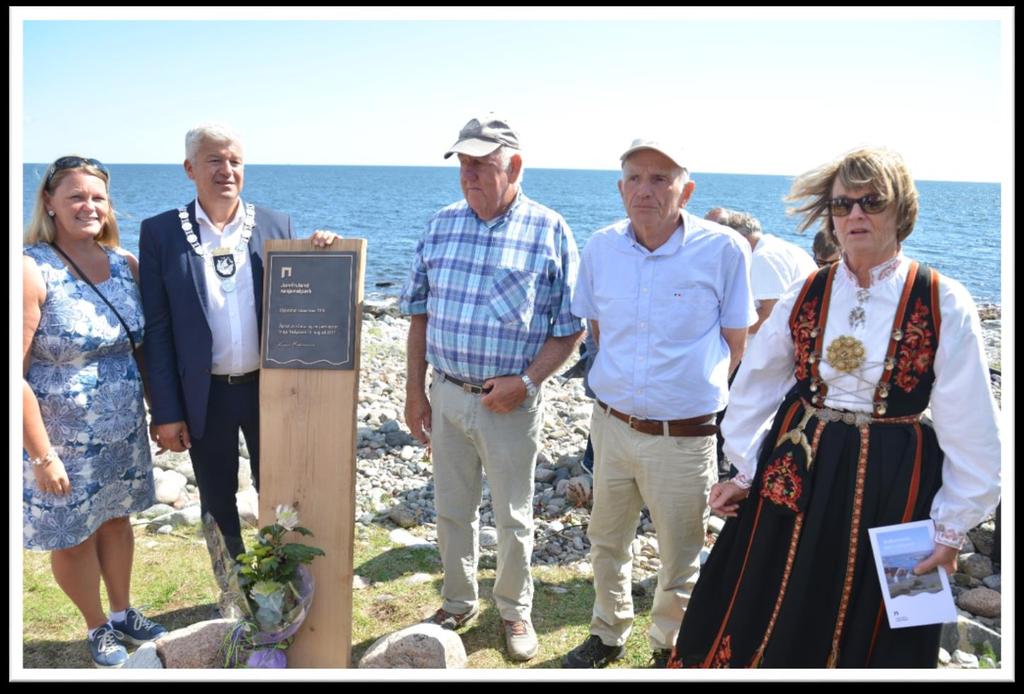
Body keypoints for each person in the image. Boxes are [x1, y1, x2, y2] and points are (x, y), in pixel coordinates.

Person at [670, 146, 1001, 668]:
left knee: (900, 609)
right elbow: (756, 382)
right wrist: (746, 468)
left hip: (900, 474)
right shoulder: (808, 288)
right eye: (843, 204)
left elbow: (972, 422)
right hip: (800, 462)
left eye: (871, 202)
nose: (855, 215)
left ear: (901, 211)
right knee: (776, 592)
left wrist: (952, 526)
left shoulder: (943, 298)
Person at [563, 139, 755, 669]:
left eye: (660, 179)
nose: (645, 190)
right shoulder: (601, 246)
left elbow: (737, 343)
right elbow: (597, 330)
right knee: (606, 539)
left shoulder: (723, 250)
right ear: (620, 187)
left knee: (680, 554)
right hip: (611, 426)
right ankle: (607, 631)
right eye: (635, 178)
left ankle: (668, 647)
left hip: (684, 435)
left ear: (685, 190)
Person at [400, 114, 584, 662]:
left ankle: (514, 609)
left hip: (510, 403)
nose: (470, 175)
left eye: (483, 164)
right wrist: (416, 392)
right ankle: (457, 601)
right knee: (452, 507)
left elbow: (569, 325)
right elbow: (417, 313)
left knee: (513, 513)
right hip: (448, 393)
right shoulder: (441, 224)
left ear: (515, 167)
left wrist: (527, 381)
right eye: (464, 164)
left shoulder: (550, 229)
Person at [139, 123, 336, 610]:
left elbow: (302, 302)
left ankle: (282, 587)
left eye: (234, 161)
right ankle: (233, 592)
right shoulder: (161, 232)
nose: (226, 170)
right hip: (204, 395)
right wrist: (165, 411)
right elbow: (157, 332)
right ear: (190, 169)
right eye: (213, 160)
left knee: (281, 490)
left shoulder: (276, 224)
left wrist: (323, 253)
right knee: (217, 498)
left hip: (269, 391)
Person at [23, 155, 167, 668]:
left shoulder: (125, 264)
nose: (89, 206)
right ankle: (95, 623)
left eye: (97, 197)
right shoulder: (30, 268)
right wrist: (42, 457)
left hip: (120, 430)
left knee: (115, 521)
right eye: (76, 197)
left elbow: (144, 349)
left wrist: (160, 412)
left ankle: (124, 610)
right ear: (50, 204)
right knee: (74, 534)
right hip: (61, 439)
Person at [707, 207, 817, 335]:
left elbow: (769, 316)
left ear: (736, 239)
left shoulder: (763, 258)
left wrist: (720, 332)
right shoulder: (778, 247)